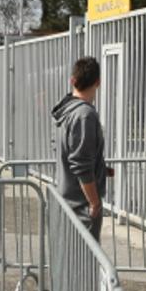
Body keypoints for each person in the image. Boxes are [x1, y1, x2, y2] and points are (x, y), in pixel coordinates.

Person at [52, 56, 110, 241]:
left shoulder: (66, 112)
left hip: (68, 199)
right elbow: (80, 163)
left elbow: (71, 154)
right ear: (98, 82)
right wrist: (94, 203)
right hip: (81, 206)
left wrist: (101, 169)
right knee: (84, 263)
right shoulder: (84, 115)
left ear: (73, 81)